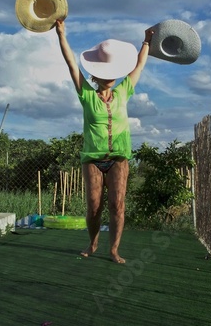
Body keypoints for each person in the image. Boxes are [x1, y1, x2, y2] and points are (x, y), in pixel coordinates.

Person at [55, 19, 153, 263]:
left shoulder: (123, 91)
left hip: (119, 157)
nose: (108, 78)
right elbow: (70, 64)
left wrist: (147, 41)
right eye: (103, 73)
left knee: (117, 205)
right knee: (94, 206)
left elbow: (140, 65)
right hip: (93, 159)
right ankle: (93, 243)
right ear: (96, 75)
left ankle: (114, 250)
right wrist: (61, 34)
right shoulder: (87, 94)